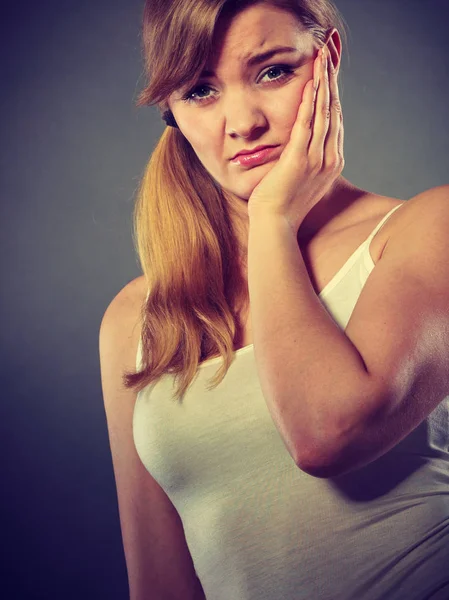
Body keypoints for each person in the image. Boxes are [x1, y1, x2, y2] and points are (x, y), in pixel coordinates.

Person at [99, 1, 449, 598]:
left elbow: (325, 433)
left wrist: (273, 219)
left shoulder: (428, 227)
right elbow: (159, 584)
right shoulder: (137, 319)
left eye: (272, 72)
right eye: (201, 90)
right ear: (171, 112)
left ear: (328, 59)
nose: (242, 123)